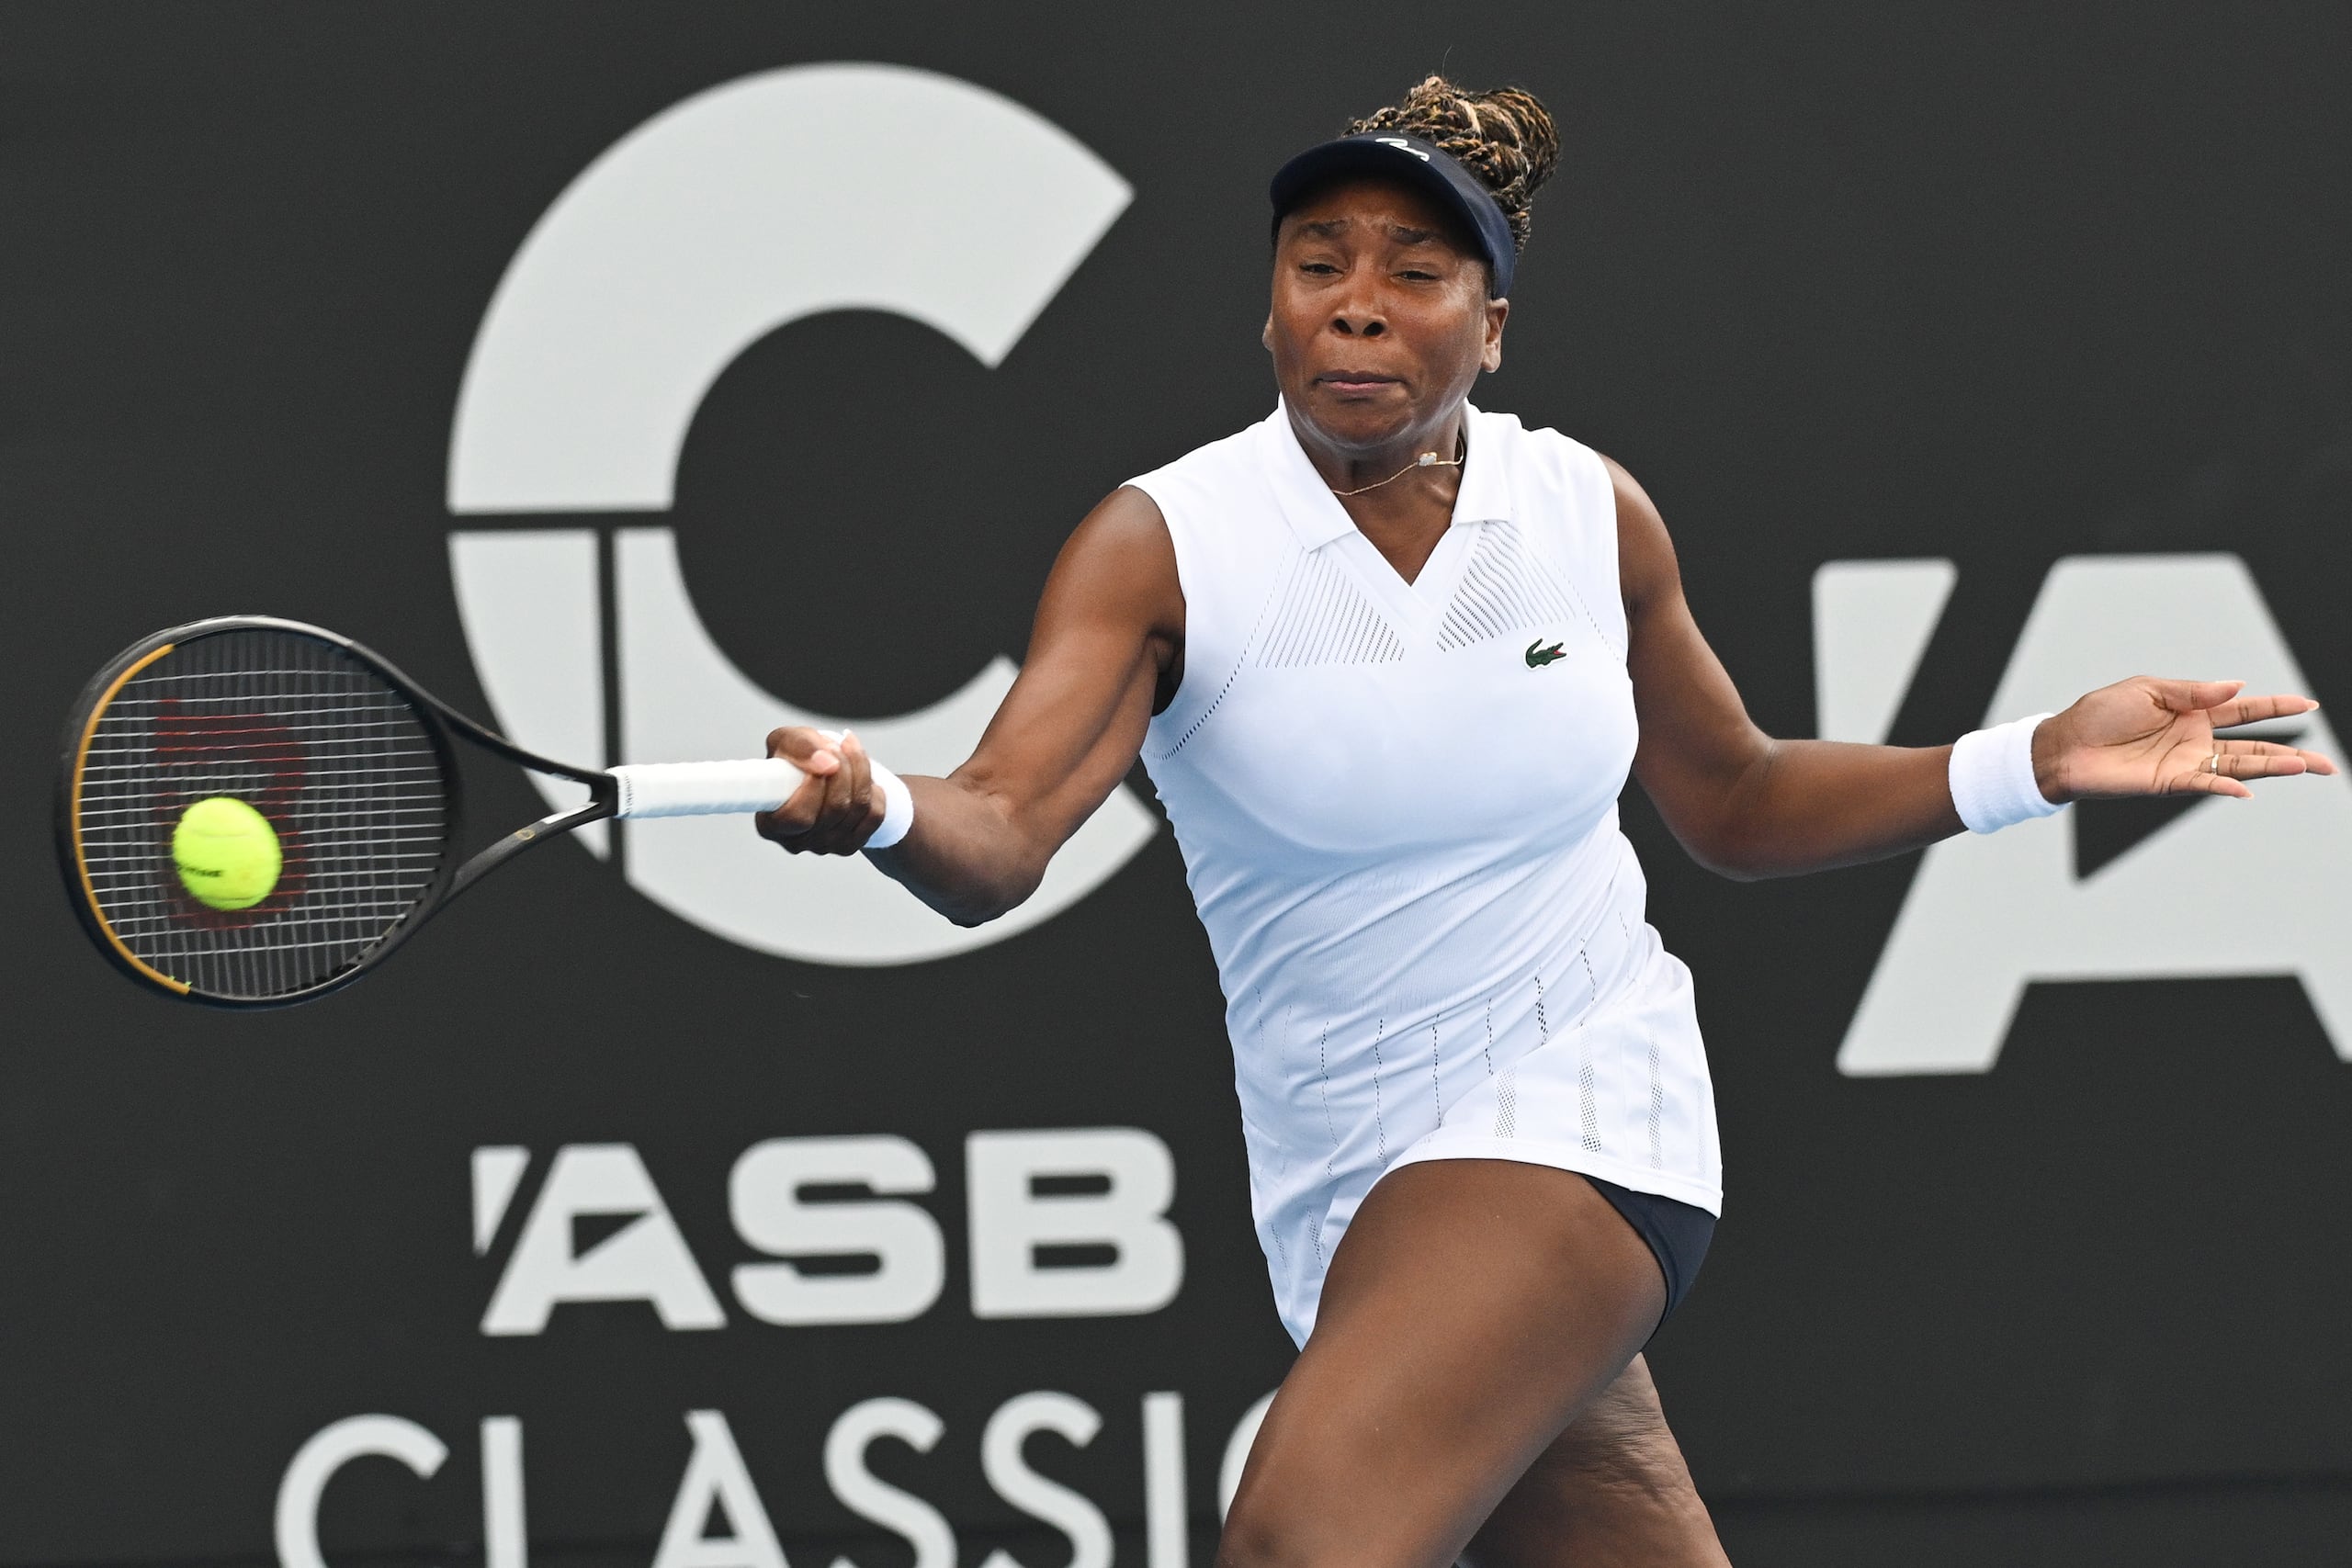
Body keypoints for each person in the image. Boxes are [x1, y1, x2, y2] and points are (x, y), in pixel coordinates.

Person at [752, 76, 2335, 1568]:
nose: (1358, 300)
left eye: (1416, 270)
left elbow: (1734, 794)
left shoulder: (1585, 512)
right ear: (1273, 309)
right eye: (1319, 265)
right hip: (1342, 1184)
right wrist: (885, 807)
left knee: (1297, 1540)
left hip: (1582, 1108)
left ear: (1492, 329)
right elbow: (1003, 829)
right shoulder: (1168, 541)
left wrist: (2030, 760)